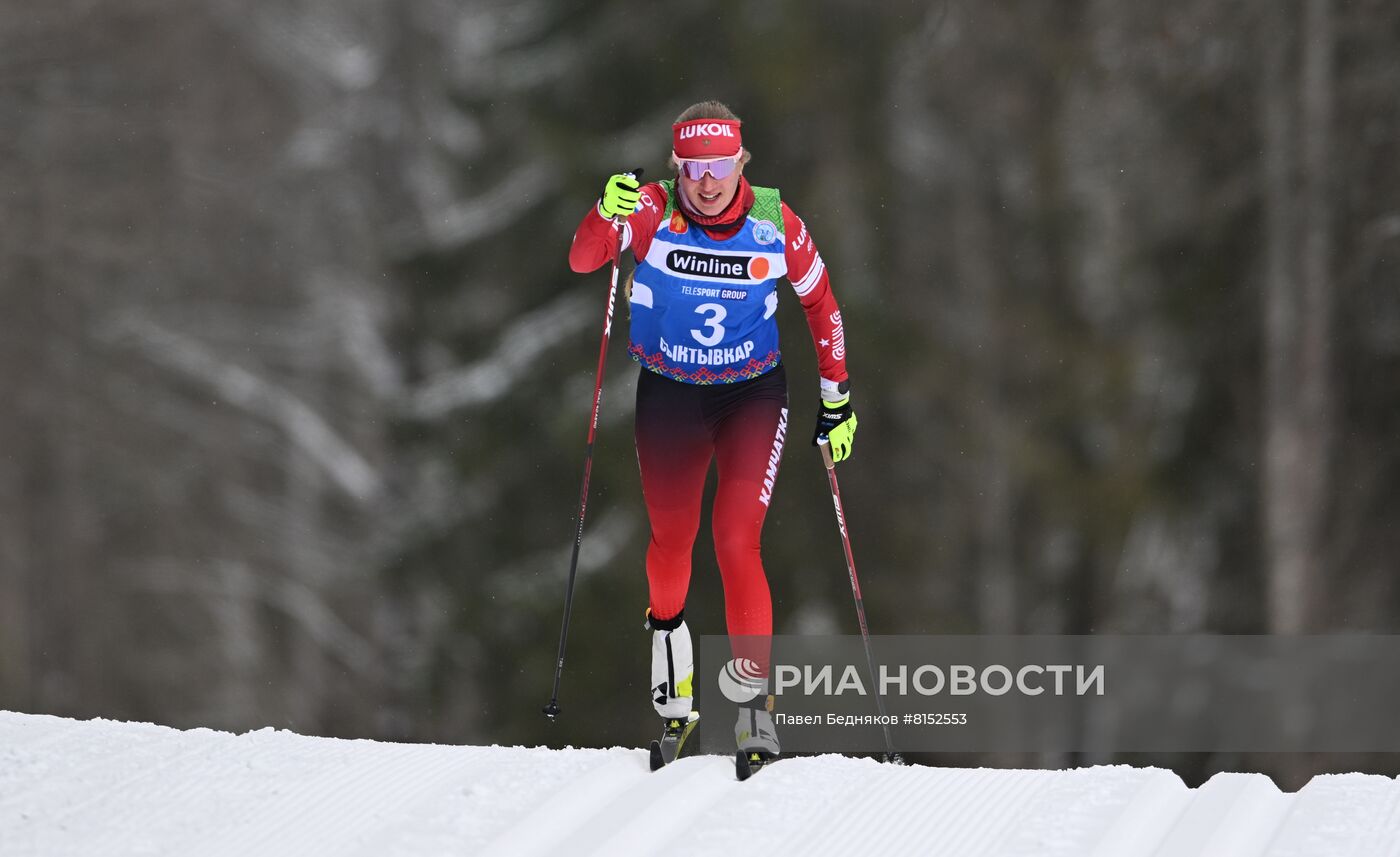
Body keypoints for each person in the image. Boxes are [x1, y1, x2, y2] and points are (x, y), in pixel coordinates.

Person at [567, 101, 856, 761]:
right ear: (678, 166)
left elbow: (822, 302)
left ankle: (755, 711)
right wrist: (603, 213)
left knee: (735, 538)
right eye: (694, 168)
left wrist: (837, 397)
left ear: (740, 162)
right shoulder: (648, 210)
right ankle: (676, 696)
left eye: (720, 165)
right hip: (670, 395)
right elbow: (585, 259)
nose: (707, 182)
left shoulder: (774, 222)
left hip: (752, 395)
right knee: (672, 542)